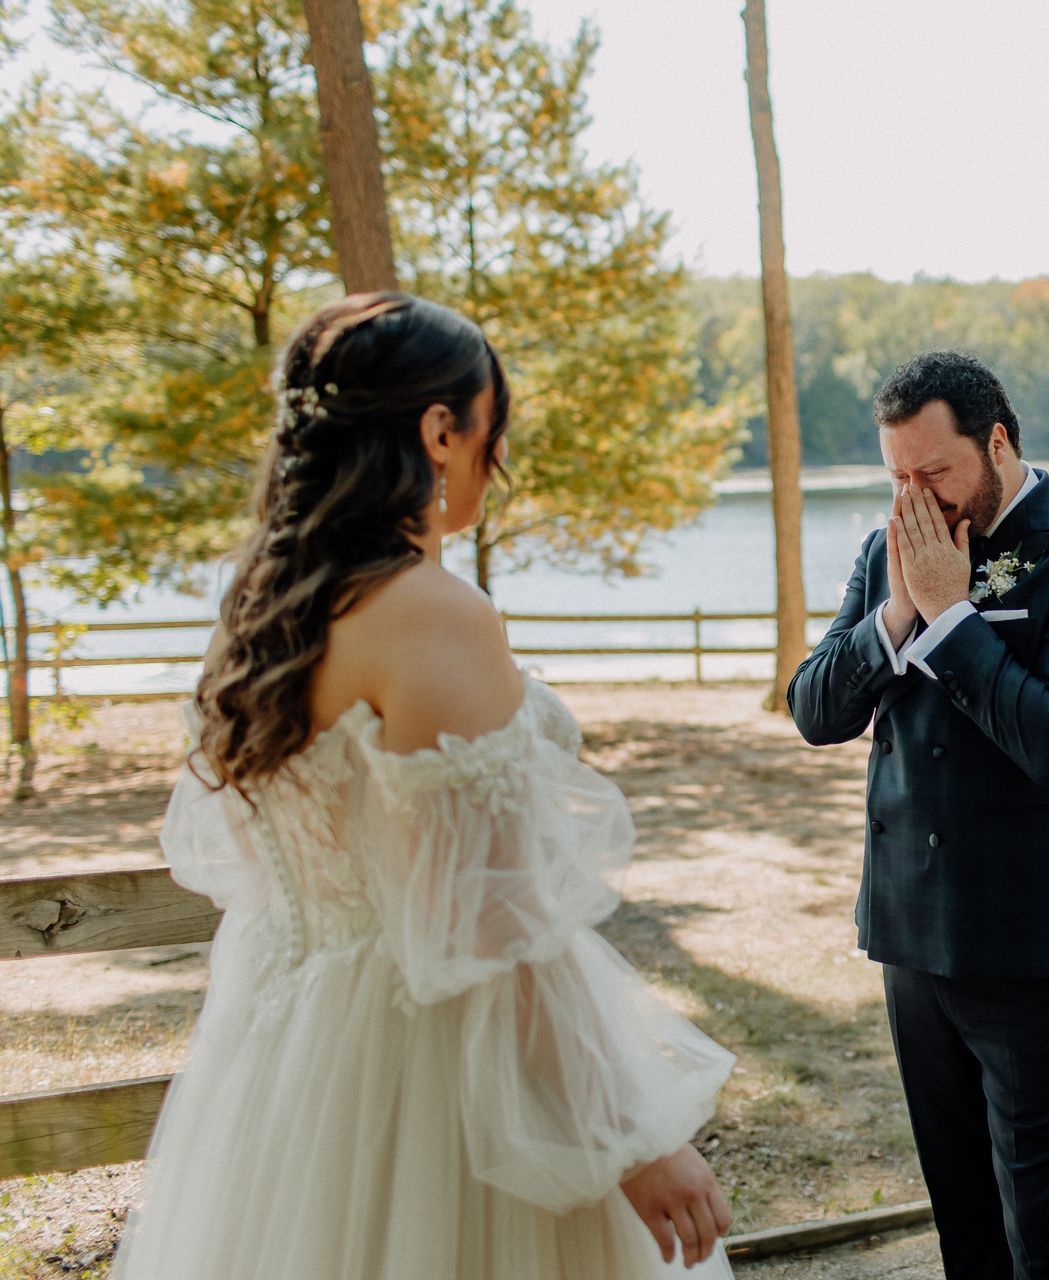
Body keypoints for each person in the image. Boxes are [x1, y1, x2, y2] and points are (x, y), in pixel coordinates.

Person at [113, 293, 736, 1280]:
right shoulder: (434, 616)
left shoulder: (260, 613)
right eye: (495, 425)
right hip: (431, 1080)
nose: (498, 455)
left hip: (284, 1055)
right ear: (440, 430)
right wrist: (632, 1134)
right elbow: (492, 922)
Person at [787, 351, 1049, 1279]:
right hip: (914, 939)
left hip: (1042, 943)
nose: (917, 498)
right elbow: (815, 710)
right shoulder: (886, 556)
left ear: (997, 442)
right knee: (964, 1221)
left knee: (1047, 1227)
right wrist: (897, 614)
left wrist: (951, 617)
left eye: (935, 472)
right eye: (897, 477)